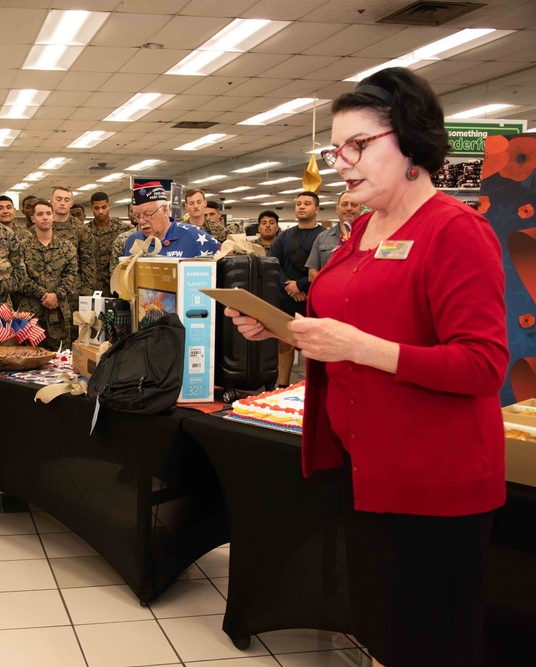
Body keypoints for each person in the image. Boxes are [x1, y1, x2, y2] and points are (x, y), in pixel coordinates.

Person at [227, 67, 507, 667]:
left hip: (434, 481)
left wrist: (360, 348)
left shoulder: (456, 230)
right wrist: (282, 325)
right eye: (335, 150)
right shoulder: (362, 230)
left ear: (409, 139)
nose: (342, 162)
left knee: (432, 640)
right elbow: (345, 313)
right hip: (366, 469)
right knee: (384, 630)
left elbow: (483, 365)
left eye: (358, 145)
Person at [268, 191, 325, 387]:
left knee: (312, 347)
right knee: (284, 344)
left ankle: (312, 388)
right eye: (299, 203)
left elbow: (325, 268)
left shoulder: (324, 237)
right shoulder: (284, 237)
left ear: (316, 209)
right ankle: (282, 385)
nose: (301, 206)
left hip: (313, 298)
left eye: (307, 203)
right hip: (286, 298)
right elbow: (273, 264)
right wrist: (290, 287)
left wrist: (301, 285)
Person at [14, 200, 78, 351]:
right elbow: (20, 278)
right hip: (30, 313)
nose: (45, 217)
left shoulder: (66, 247)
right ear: (33, 219)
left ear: (53, 217)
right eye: (40, 214)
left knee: (60, 358)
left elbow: (72, 276)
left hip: (59, 312)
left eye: (48, 213)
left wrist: (56, 294)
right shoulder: (22, 247)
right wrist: (44, 294)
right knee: (27, 356)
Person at [122, 182, 221, 258]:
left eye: (148, 214)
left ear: (165, 210)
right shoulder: (133, 241)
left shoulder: (193, 235)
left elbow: (228, 263)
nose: (141, 221)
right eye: (137, 216)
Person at [307, 192, 363, 281]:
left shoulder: (371, 237)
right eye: (344, 204)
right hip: (328, 291)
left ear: (360, 209)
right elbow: (312, 271)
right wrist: (327, 285)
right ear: (337, 208)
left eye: (354, 205)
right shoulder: (322, 238)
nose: (349, 208)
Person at [88, 191, 132, 293]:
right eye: (96, 208)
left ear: (109, 206)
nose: (100, 212)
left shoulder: (123, 229)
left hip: (115, 285)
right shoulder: (85, 231)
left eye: (104, 207)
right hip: (92, 287)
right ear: (91, 208)